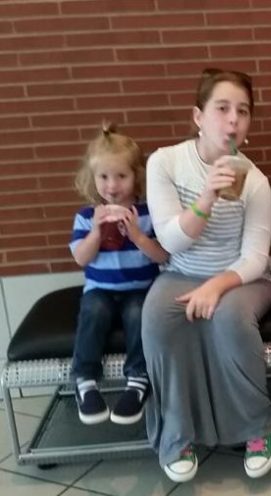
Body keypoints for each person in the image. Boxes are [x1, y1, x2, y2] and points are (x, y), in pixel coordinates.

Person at [142, 68, 271, 483]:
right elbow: (171, 241)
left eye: (243, 111)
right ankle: (176, 435)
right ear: (198, 116)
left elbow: (255, 258)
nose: (233, 120)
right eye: (222, 108)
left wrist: (217, 286)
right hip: (181, 271)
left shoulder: (254, 180)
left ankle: (258, 428)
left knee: (229, 318)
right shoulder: (165, 162)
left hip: (241, 279)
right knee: (159, 320)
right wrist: (206, 196)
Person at [70, 122, 168, 426]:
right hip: (100, 289)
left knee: (139, 313)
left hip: (140, 288)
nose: (112, 186)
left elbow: (163, 256)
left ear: (136, 176)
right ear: (93, 178)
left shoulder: (148, 214)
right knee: (93, 311)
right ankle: (85, 379)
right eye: (103, 177)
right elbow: (81, 258)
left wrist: (137, 235)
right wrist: (96, 232)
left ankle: (138, 379)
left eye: (121, 176)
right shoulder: (87, 217)